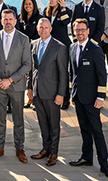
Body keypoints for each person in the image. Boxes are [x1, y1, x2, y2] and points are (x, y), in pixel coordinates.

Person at [68, 18, 108, 179]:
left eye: (82, 29)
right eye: (77, 30)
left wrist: (101, 97)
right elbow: (73, 73)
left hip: (92, 98)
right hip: (78, 97)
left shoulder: (95, 49)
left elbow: (102, 75)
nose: (80, 32)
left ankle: (104, 165)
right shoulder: (72, 47)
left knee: (97, 132)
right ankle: (86, 157)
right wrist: (72, 92)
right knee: (84, 129)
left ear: (88, 31)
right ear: (74, 31)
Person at [0, 8, 32, 163]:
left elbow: (27, 64)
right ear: (2, 21)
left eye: (10, 19)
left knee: (18, 119)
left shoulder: (23, 39)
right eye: (5, 19)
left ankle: (20, 148)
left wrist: (10, 80)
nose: (8, 22)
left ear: (15, 21)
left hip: (17, 86)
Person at [27, 17, 68, 166]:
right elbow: (32, 69)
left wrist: (61, 94)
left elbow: (63, 74)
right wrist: (29, 87)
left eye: (46, 27)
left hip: (52, 94)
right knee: (43, 123)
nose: (43, 30)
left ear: (50, 29)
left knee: (54, 125)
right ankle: (45, 149)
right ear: (37, 29)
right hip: (37, 92)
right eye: (41, 27)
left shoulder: (59, 47)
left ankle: (54, 152)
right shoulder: (33, 44)